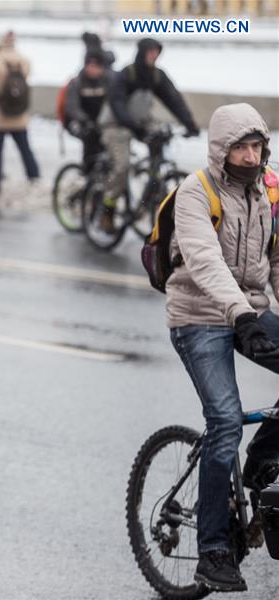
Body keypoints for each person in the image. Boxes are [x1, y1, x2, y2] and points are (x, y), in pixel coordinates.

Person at [167, 103, 279, 593]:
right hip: (198, 316)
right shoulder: (196, 192)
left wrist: (254, 314)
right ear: (221, 150)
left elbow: (278, 261)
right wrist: (242, 315)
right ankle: (213, 552)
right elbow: (205, 261)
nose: (251, 157)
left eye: (257, 147)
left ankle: (260, 462)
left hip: (248, 311)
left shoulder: (268, 192)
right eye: (241, 148)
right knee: (226, 421)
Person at [99, 38, 199, 230]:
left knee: (160, 139)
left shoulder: (156, 76)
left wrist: (190, 124)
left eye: (157, 52)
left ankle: (152, 188)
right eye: (150, 52)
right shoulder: (126, 74)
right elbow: (117, 103)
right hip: (115, 124)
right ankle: (107, 208)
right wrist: (133, 127)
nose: (154, 56)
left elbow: (174, 99)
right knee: (122, 165)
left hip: (140, 121)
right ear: (141, 52)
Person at [0, 31, 39, 213]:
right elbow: (27, 75)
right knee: (26, 150)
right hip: (19, 116)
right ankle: (34, 178)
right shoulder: (23, 60)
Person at [63, 49, 111, 170]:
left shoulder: (106, 82)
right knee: (90, 137)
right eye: (90, 65)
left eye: (97, 66)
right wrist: (84, 120)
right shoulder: (77, 82)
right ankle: (87, 171)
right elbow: (71, 107)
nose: (93, 69)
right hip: (78, 122)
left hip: (100, 122)